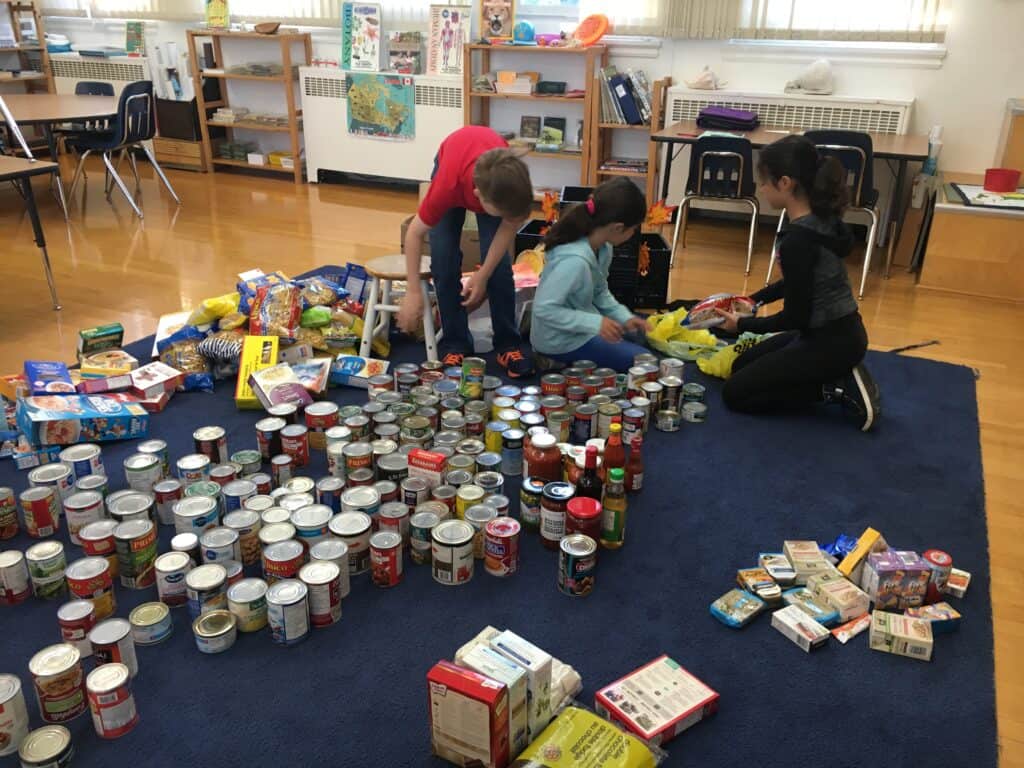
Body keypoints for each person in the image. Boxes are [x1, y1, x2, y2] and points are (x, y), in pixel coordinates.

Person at [714, 135, 882, 431]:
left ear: (785, 183)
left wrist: (741, 326)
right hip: (831, 333)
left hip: (831, 342)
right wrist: (752, 302)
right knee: (741, 366)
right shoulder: (821, 220)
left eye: (764, 182)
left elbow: (795, 317)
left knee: (736, 394)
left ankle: (833, 388)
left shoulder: (798, 242)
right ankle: (831, 375)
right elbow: (795, 283)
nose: (761, 189)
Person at [398, 126, 535, 377]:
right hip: (451, 159)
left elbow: (507, 229)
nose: (507, 218)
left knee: (499, 267)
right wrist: (413, 291)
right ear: (478, 198)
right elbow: (414, 233)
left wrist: (482, 276)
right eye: (501, 213)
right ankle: (456, 342)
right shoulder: (446, 187)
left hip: (489, 168)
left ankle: (508, 344)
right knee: (443, 261)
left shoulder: (514, 185)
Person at [530, 178, 652, 372]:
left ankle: (576, 361)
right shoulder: (574, 261)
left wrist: (623, 317)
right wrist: (596, 323)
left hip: (582, 325)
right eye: (634, 229)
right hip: (558, 340)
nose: (634, 233)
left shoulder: (604, 247)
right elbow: (544, 310)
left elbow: (600, 290)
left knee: (639, 334)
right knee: (644, 362)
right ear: (618, 228)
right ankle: (551, 359)